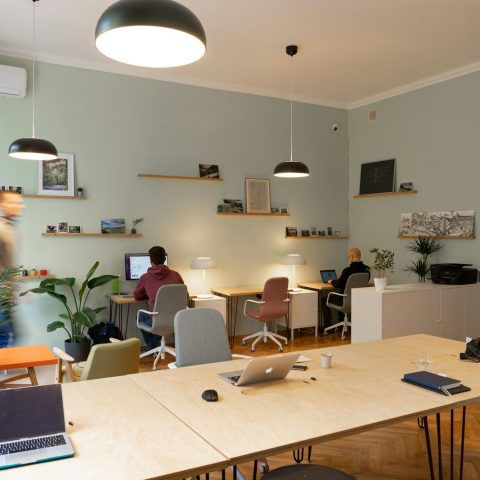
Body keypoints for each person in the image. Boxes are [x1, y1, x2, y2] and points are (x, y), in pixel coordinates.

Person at [134, 246, 184, 349]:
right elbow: (184, 294)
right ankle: (153, 345)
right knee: (157, 319)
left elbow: (137, 296)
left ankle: (151, 346)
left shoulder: (145, 277)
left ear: (150, 261)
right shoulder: (176, 275)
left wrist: (148, 293)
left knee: (140, 316)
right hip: (176, 319)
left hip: (157, 320)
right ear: (164, 259)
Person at [0, 191, 24, 348]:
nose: (21, 206)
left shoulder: (9, 228)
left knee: (11, 335)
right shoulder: (2, 229)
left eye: (20, 202)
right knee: (8, 335)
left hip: (5, 293)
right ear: (3, 205)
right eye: (14, 202)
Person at [323, 247, 370, 324]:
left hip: (345, 301)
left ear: (351, 257)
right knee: (342, 295)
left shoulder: (348, 270)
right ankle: (342, 323)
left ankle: (329, 326)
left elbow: (337, 284)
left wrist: (331, 281)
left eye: (348, 257)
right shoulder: (367, 269)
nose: (349, 258)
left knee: (325, 299)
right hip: (359, 300)